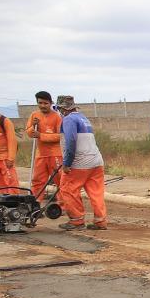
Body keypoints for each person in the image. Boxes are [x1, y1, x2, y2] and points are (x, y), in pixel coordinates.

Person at [54, 95, 108, 230]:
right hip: (96, 161)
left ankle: (76, 220)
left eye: (59, 109)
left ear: (62, 109)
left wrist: (67, 163)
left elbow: (71, 141)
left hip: (79, 163)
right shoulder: (83, 118)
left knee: (67, 189)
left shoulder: (68, 119)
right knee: (96, 192)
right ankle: (100, 221)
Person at [26, 91, 64, 198]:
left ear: (50, 103)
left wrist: (41, 135)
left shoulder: (57, 117)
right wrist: (33, 126)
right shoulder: (34, 115)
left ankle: (64, 205)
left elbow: (60, 136)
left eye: (45, 103)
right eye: (40, 103)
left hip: (55, 154)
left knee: (60, 180)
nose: (43, 106)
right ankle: (35, 204)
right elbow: (29, 133)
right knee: (37, 180)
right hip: (41, 154)